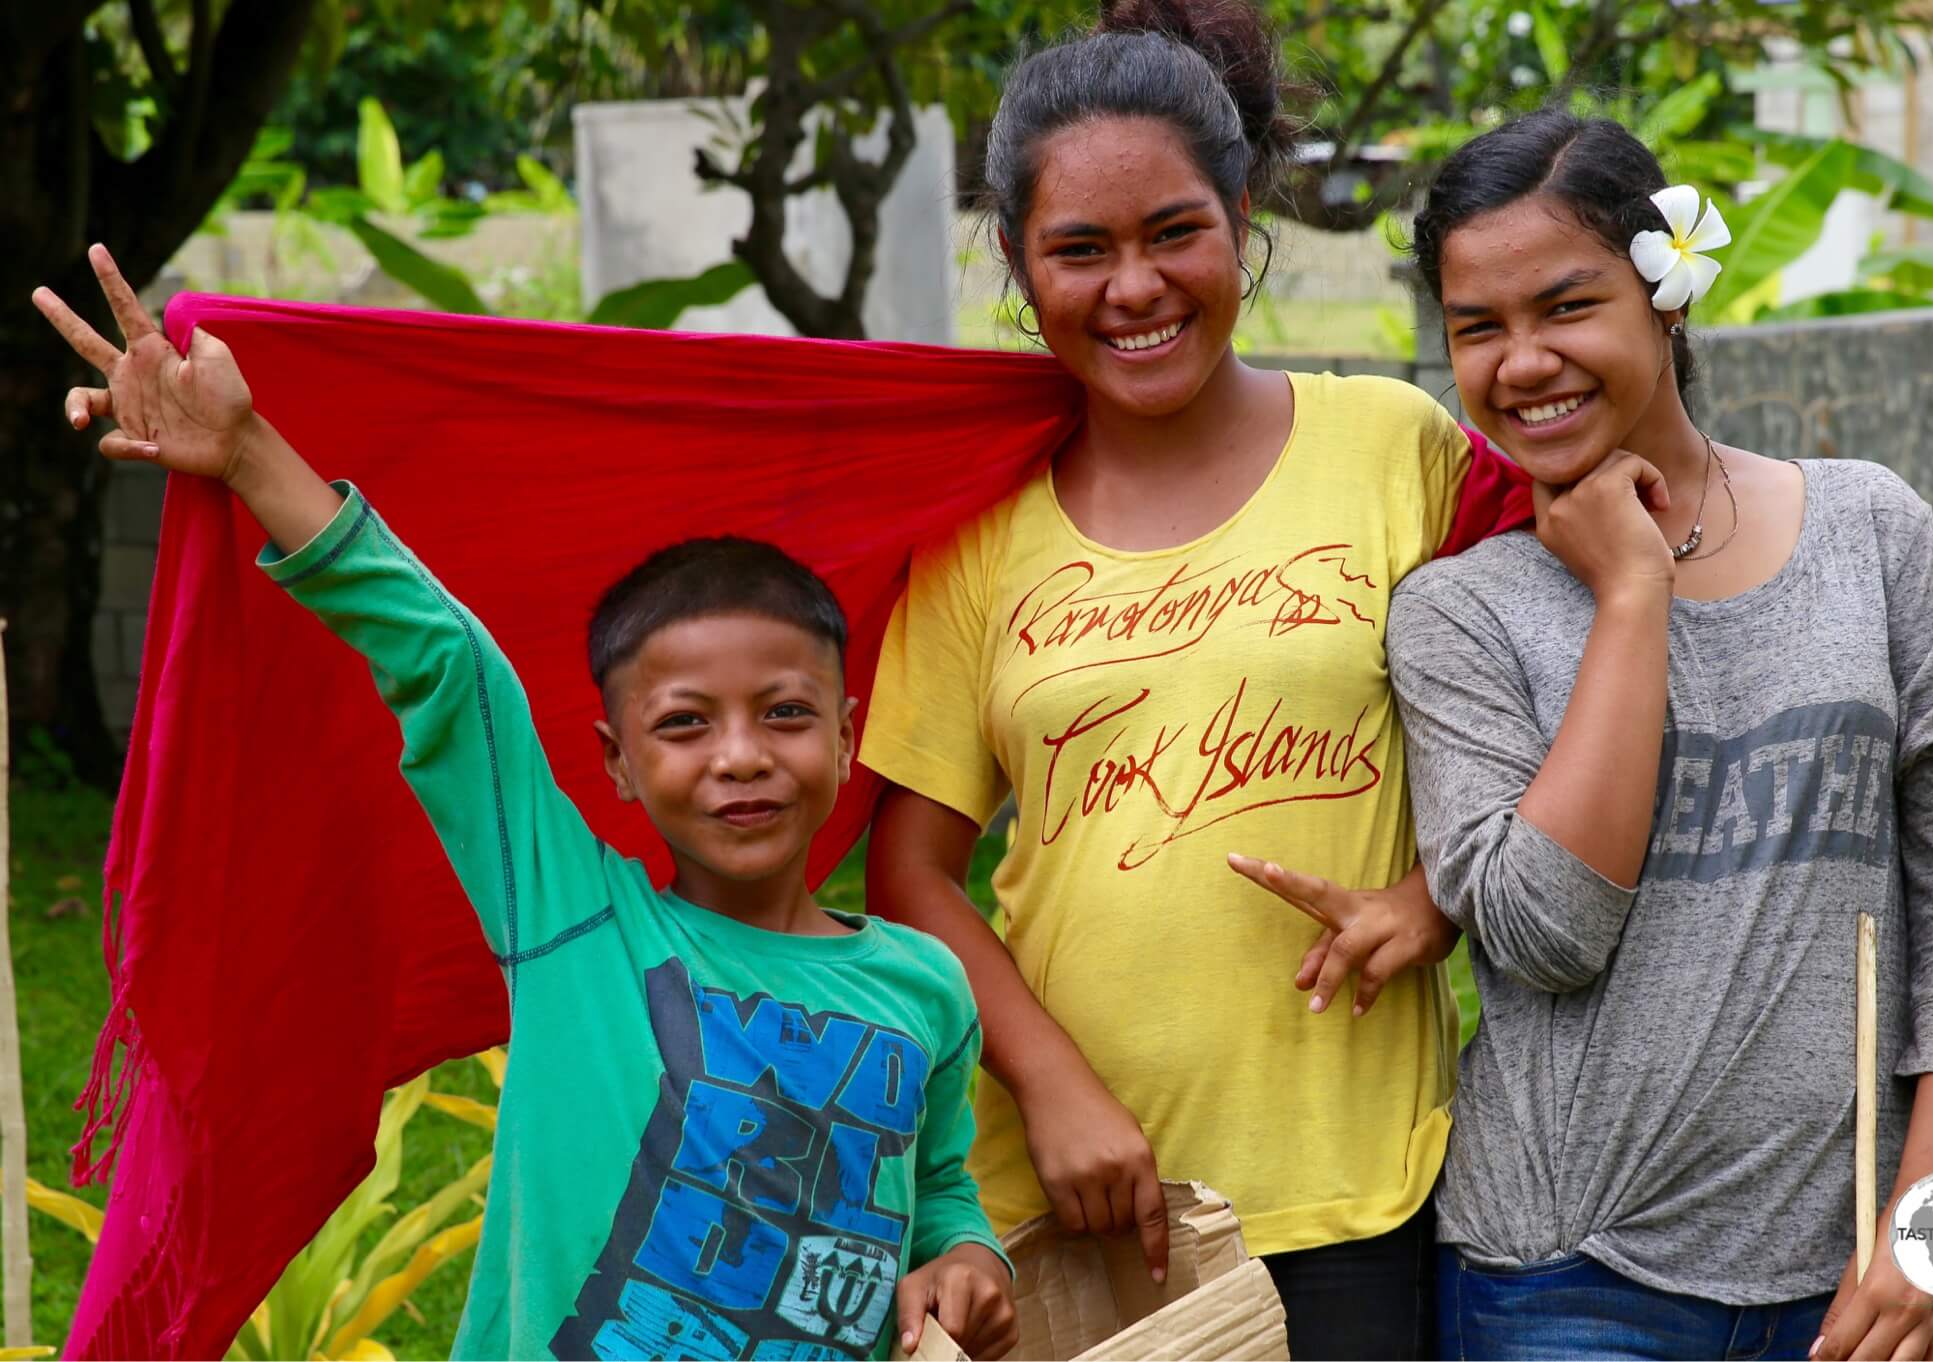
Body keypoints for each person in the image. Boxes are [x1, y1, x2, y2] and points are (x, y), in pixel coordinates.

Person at [34, 246, 1019, 1362]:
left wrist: (970, 1260)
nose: (739, 757)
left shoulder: (923, 986)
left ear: (849, 736)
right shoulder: (577, 925)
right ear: (615, 762)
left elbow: (938, 1189)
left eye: (785, 715)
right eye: (685, 724)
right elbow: (447, 666)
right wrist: (249, 450)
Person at [858, 3, 1527, 1356]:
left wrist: (1439, 896)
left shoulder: (1398, 446)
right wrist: (1051, 1089)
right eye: (1079, 250)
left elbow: (1572, 673)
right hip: (1085, 1206)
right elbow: (910, 868)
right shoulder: (979, 531)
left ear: (1240, 216)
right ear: (1013, 260)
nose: (1136, 287)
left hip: (1350, 1183)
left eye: (1175, 231)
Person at [1382, 108, 1933, 1360]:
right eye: (1477, 328)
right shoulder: (1457, 612)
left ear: (1665, 296)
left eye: (1564, 306)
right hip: (1562, 1284)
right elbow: (1544, 933)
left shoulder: (1869, 530)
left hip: (1851, 1274)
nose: (1521, 363)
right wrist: (1631, 595)